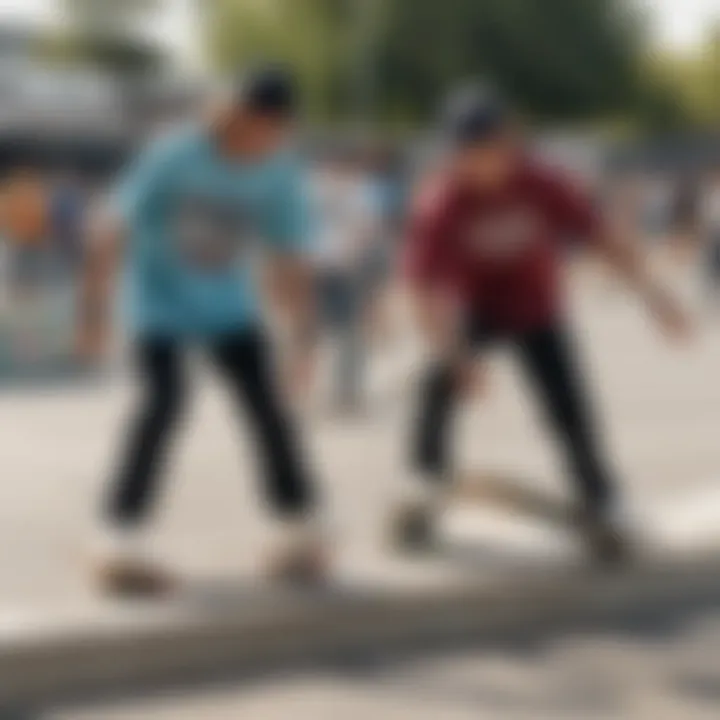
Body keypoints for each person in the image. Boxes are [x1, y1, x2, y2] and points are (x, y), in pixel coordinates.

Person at [395, 85, 691, 563]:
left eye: (489, 151)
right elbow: (421, 292)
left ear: (509, 143)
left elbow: (606, 242)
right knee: (435, 382)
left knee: (568, 405)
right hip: (478, 308)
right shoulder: (441, 201)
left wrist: (659, 299)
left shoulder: (544, 183)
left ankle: (601, 497)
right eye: (468, 155)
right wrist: (455, 357)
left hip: (537, 307)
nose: (480, 166)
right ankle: (426, 479)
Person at [77, 66, 326, 594]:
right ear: (228, 117)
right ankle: (118, 535)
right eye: (248, 131)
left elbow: (290, 259)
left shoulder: (280, 171)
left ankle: (299, 526)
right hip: (157, 307)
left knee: (268, 408)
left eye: (270, 134)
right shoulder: (174, 155)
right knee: (163, 405)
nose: (257, 145)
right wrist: (94, 315)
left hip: (229, 310)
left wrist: (301, 340)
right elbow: (108, 228)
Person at [306, 149, 381, 413]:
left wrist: (356, 256)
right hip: (316, 270)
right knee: (308, 333)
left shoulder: (357, 192)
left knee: (348, 334)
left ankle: (345, 392)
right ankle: (306, 389)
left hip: (342, 269)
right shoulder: (311, 189)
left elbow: (367, 230)